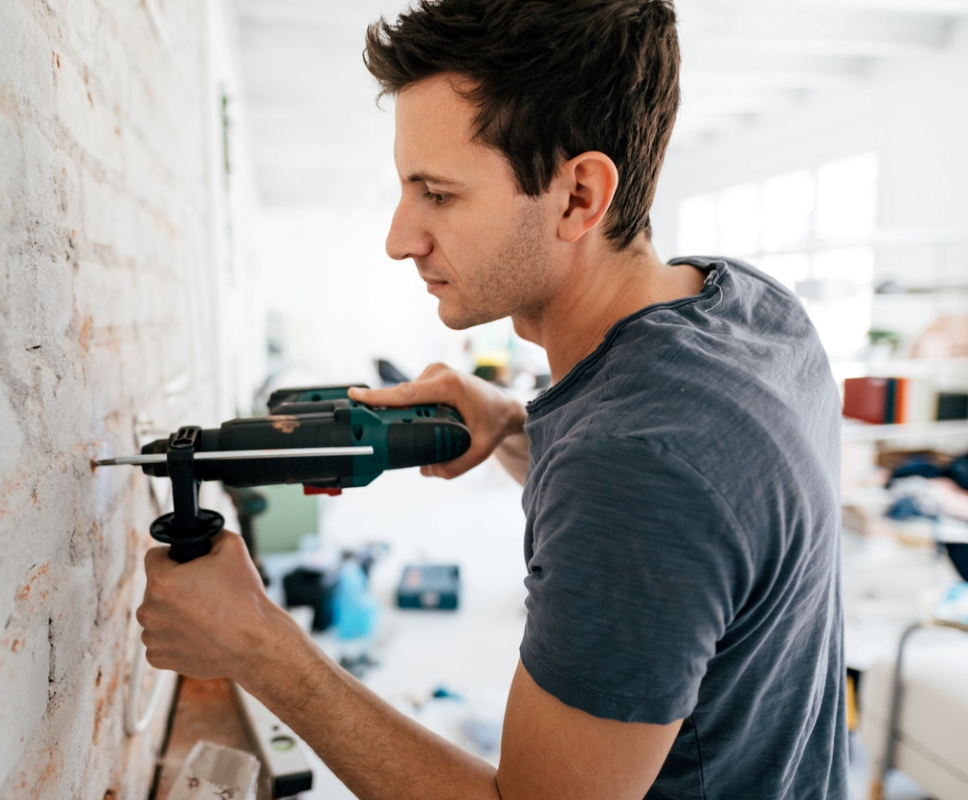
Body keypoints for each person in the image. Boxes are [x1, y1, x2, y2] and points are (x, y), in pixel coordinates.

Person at [137, 1, 848, 797]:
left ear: (580, 195)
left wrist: (258, 647)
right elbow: (694, 530)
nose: (400, 237)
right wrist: (514, 423)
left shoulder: (635, 464)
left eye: (438, 194)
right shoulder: (753, 307)